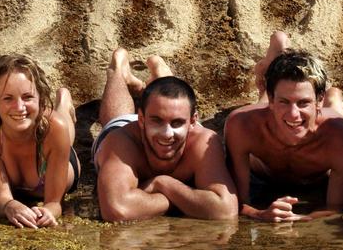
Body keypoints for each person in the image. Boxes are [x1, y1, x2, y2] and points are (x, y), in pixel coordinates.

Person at [224, 32, 343, 221]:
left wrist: (306, 220)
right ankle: (274, 59)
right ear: (272, 100)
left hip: (316, 177)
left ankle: (334, 98)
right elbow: (235, 202)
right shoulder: (241, 125)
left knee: (339, 117)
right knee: (268, 106)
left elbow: (339, 209)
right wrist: (259, 214)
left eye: (304, 102)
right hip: (264, 173)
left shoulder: (341, 137)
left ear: (319, 100)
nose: (294, 113)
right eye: (283, 101)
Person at [92, 48, 238, 222]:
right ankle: (117, 70)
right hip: (126, 129)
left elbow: (226, 211)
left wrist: (163, 183)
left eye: (177, 123)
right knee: (117, 118)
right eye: (157, 121)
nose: (167, 134)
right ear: (141, 119)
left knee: (170, 99)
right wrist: (184, 201)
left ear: (192, 121)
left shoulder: (204, 140)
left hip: (179, 129)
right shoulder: (121, 142)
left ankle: (161, 76)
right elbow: (117, 210)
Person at [0, 53, 80, 229]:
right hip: (3, 153)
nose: (19, 107)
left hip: (54, 153)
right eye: (8, 98)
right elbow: (1, 199)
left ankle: (63, 103)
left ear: (40, 99)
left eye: (27, 97)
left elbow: (54, 204)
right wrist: (9, 205)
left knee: (61, 126)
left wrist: (48, 212)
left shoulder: (54, 128)